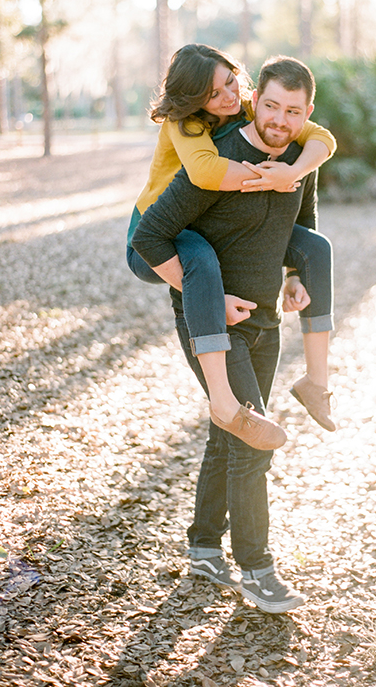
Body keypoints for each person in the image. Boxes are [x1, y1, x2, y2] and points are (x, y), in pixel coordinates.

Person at [131, 56, 326, 613]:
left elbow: (304, 227)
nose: (279, 119)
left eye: (293, 111)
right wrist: (210, 300)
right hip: (212, 323)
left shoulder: (299, 161)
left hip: (267, 322)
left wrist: (293, 277)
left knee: (228, 434)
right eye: (270, 105)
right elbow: (150, 236)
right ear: (253, 100)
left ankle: (202, 547)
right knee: (251, 442)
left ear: (306, 113)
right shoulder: (214, 161)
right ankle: (257, 570)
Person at [126, 44, 336, 442]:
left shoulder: (247, 106)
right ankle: (223, 402)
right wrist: (270, 178)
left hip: (201, 226)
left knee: (316, 247)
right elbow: (205, 171)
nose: (227, 97)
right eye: (213, 94)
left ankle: (317, 380)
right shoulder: (183, 122)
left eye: (231, 82)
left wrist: (292, 170)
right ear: (192, 99)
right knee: (201, 260)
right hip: (158, 234)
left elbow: (320, 135)